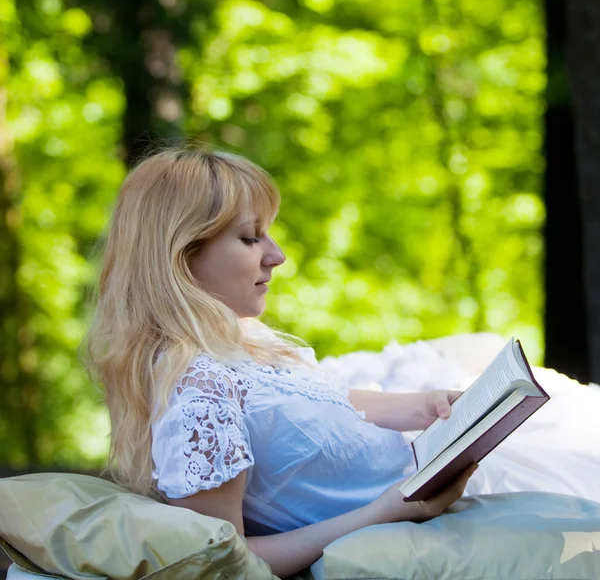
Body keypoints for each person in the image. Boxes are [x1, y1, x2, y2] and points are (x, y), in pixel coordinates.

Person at [88, 148, 595, 578]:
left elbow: (316, 403)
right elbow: (228, 561)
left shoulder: (236, 340)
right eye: (251, 238)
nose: (277, 255)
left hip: (436, 477)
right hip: (422, 512)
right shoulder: (195, 393)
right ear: (182, 255)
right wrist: (382, 514)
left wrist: (421, 405)